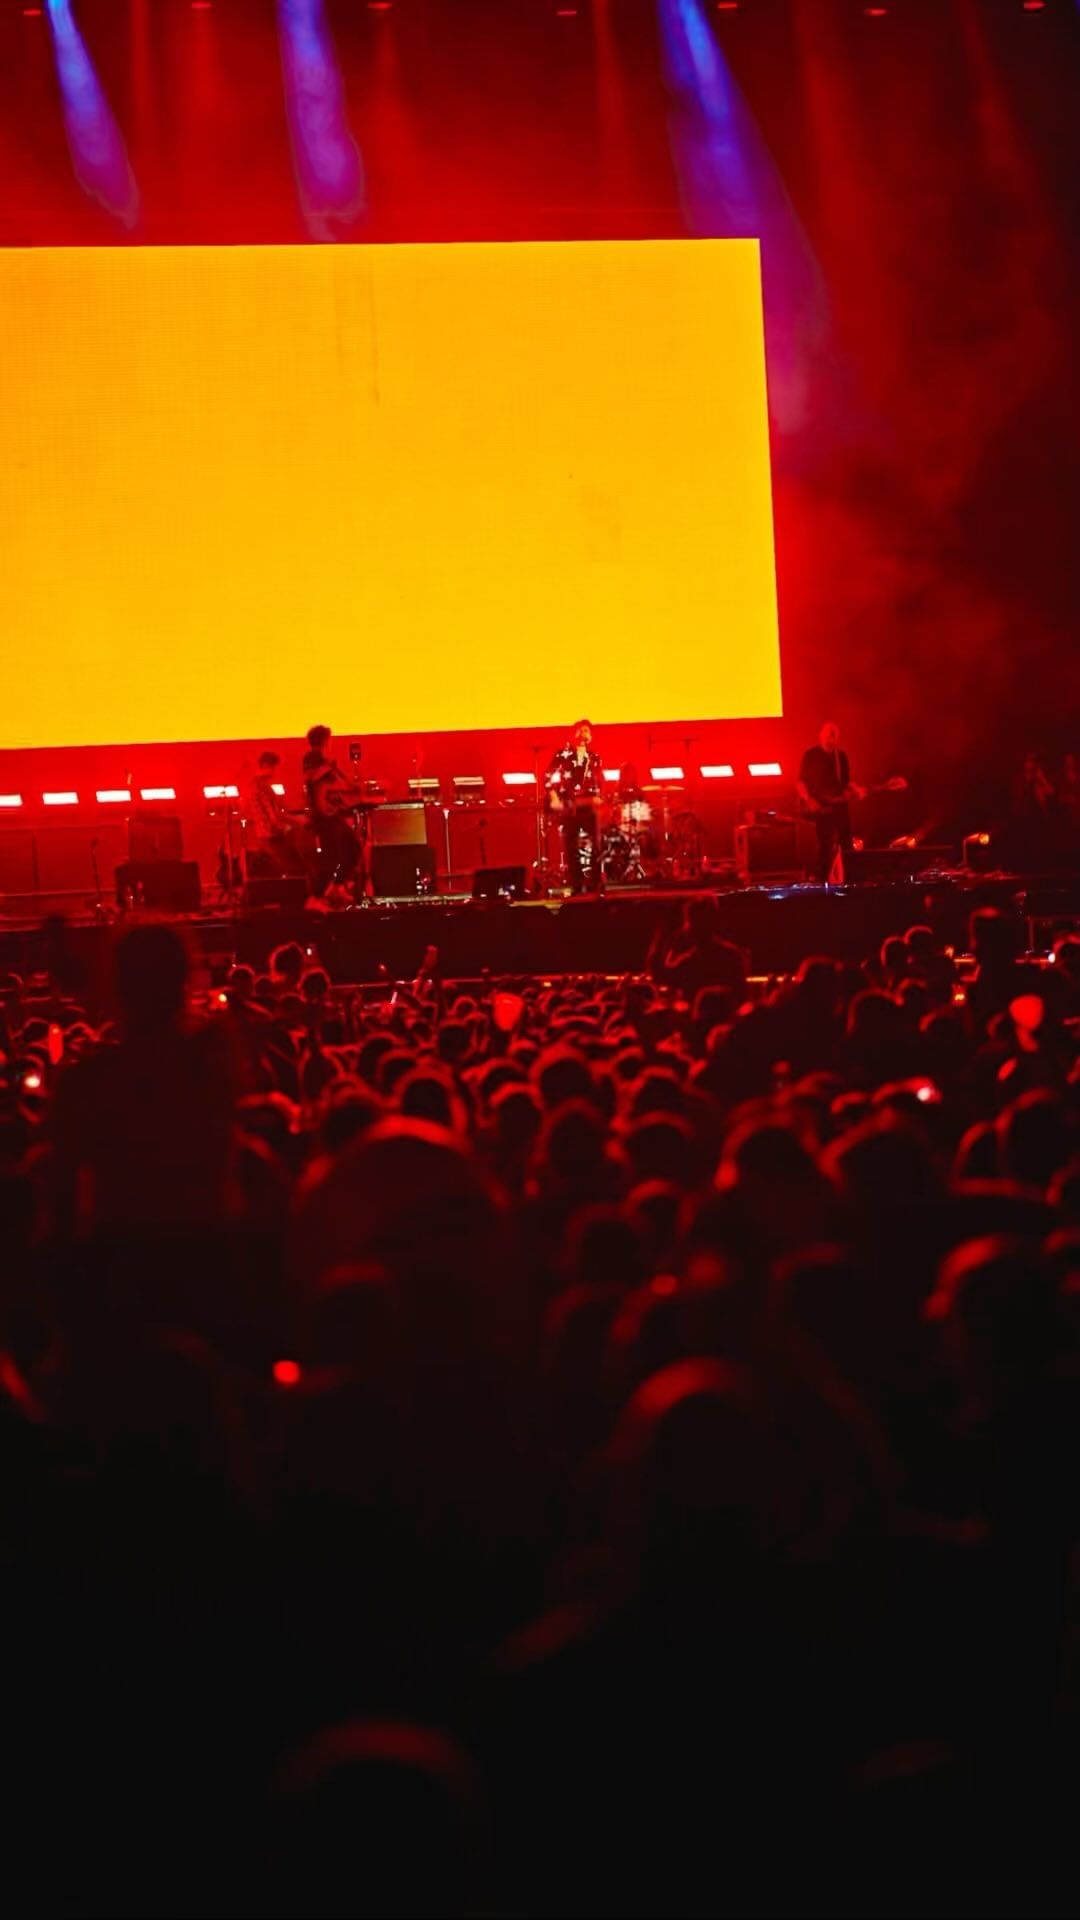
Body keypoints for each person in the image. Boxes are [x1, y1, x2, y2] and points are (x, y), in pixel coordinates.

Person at [302, 724, 365, 910]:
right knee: (331, 857)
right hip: (322, 816)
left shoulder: (325, 760)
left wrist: (350, 787)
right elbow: (311, 778)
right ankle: (315, 896)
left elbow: (332, 784)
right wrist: (329, 767)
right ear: (324, 740)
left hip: (332, 813)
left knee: (353, 847)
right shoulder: (312, 757)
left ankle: (337, 887)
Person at [796, 720, 865, 883]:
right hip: (819, 807)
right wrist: (808, 800)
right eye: (828, 735)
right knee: (823, 844)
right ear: (820, 736)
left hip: (839, 806)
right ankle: (820, 877)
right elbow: (800, 782)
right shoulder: (811, 755)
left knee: (846, 842)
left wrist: (857, 789)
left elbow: (846, 781)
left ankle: (848, 877)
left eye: (834, 736)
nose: (830, 739)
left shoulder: (840, 757)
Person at [547, 720, 605, 894]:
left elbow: (600, 780)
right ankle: (576, 884)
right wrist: (554, 798)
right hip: (570, 806)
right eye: (579, 731)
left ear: (591, 736)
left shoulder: (594, 757)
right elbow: (548, 777)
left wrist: (599, 796)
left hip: (589, 806)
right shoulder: (563, 755)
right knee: (571, 847)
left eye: (586, 731)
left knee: (595, 846)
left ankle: (595, 883)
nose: (582, 734)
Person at [246, 751, 304, 878]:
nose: (276, 772)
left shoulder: (255, 785)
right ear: (266, 765)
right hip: (272, 836)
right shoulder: (262, 787)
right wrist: (296, 822)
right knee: (295, 869)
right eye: (275, 768)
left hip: (264, 836)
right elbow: (274, 816)